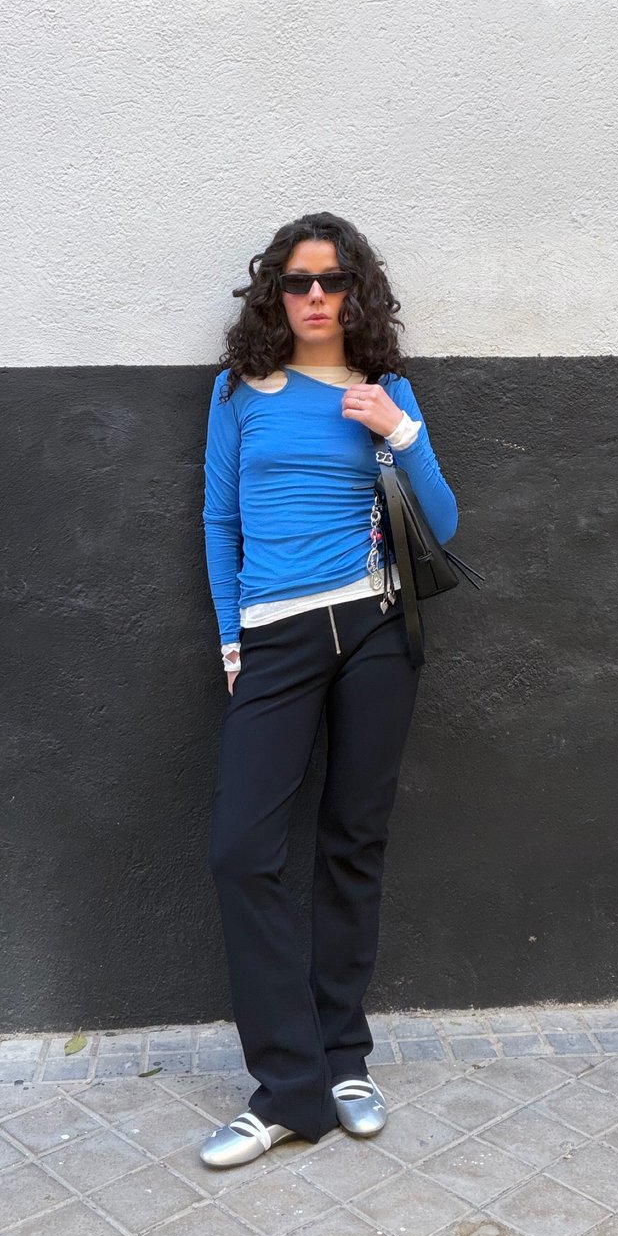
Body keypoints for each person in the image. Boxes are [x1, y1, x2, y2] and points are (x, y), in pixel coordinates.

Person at [199, 210, 458, 1168]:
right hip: (274, 635)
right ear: (275, 292)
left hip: (377, 630)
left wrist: (401, 431)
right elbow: (220, 519)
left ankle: (344, 1058)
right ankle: (287, 1087)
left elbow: (443, 522)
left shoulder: (385, 389)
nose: (316, 297)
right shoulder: (239, 391)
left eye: (334, 281)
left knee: (353, 840)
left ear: (358, 292)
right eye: (299, 281)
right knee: (241, 851)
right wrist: (231, 637)